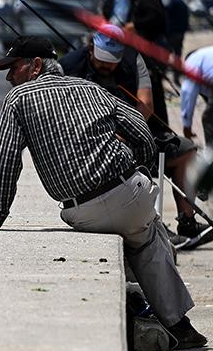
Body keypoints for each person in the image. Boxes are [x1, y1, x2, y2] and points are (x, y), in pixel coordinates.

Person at [0, 36, 206, 349]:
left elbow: (8, 162)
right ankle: (179, 324)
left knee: (146, 236)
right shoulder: (90, 89)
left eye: (12, 68)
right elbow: (142, 132)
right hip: (129, 191)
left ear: (35, 65)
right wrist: (143, 169)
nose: (8, 76)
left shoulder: (17, 100)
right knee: (148, 236)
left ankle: (152, 311)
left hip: (81, 211)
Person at [61, 25, 201, 239]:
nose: (107, 67)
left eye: (112, 62)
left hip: (133, 130)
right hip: (92, 140)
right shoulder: (69, 65)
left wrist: (127, 132)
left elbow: (146, 104)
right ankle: (150, 224)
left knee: (186, 151)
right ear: (91, 49)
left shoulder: (133, 59)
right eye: (102, 61)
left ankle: (188, 222)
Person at [112, 0, 171, 131]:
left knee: (155, 95)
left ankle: (163, 133)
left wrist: (134, 25)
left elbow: (158, 18)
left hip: (153, 56)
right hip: (147, 54)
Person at [165, 0, 191, 82]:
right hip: (180, 33)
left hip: (173, 33)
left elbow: (165, 12)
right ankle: (177, 75)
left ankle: (173, 75)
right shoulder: (181, 2)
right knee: (177, 54)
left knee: (167, 53)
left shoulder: (174, 2)